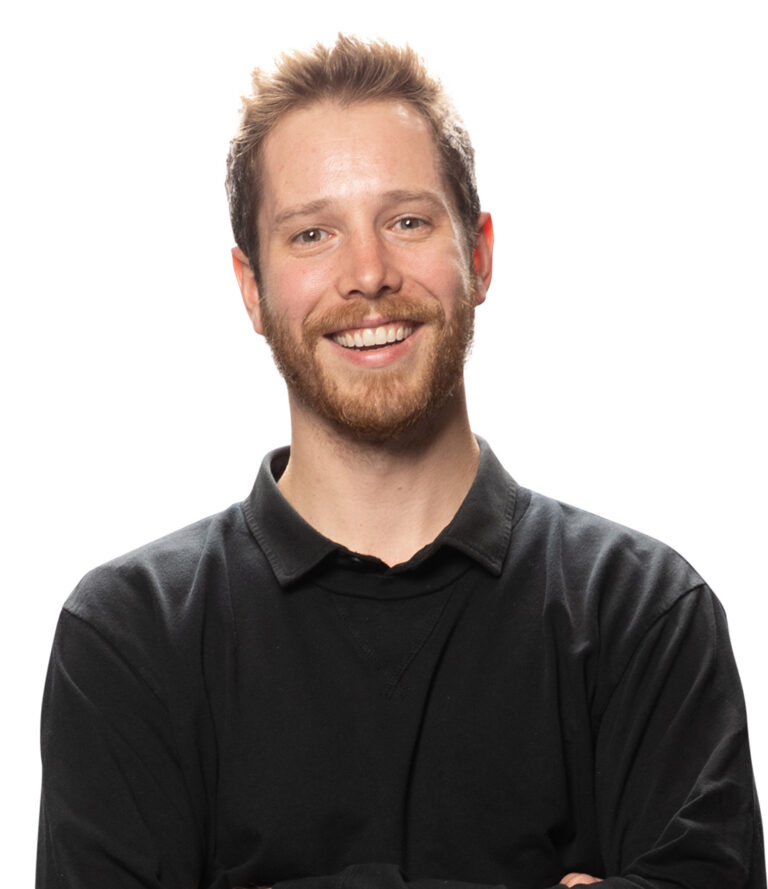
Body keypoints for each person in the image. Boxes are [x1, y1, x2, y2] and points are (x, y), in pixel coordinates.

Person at [37, 35, 765, 889]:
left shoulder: (646, 616)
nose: (370, 274)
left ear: (480, 253)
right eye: (312, 234)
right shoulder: (128, 640)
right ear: (251, 290)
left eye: (408, 221)